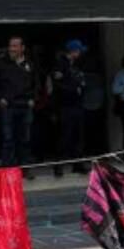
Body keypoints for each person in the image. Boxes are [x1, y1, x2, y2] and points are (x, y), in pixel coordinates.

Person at [0, 35, 37, 178]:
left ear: (22, 48)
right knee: (8, 138)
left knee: (25, 138)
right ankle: (7, 170)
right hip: (8, 106)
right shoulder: (1, 63)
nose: (12, 49)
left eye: (15, 46)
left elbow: (37, 84)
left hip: (25, 105)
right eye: (11, 46)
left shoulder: (30, 64)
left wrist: (33, 98)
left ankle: (24, 168)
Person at [52, 40, 89, 177]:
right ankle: (58, 165)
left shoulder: (76, 66)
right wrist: (74, 89)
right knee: (64, 136)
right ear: (72, 51)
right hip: (65, 106)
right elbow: (58, 85)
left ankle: (78, 164)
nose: (80, 54)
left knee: (78, 137)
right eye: (78, 51)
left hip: (77, 105)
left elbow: (81, 81)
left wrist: (81, 87)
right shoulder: (60, 65)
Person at [82, 66, 108, 156]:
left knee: (94, 132)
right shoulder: (84, 77)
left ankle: (95, 151)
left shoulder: (98, 78)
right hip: (88, 108)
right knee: (91, 132)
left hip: (95, 107)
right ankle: (92, 151)